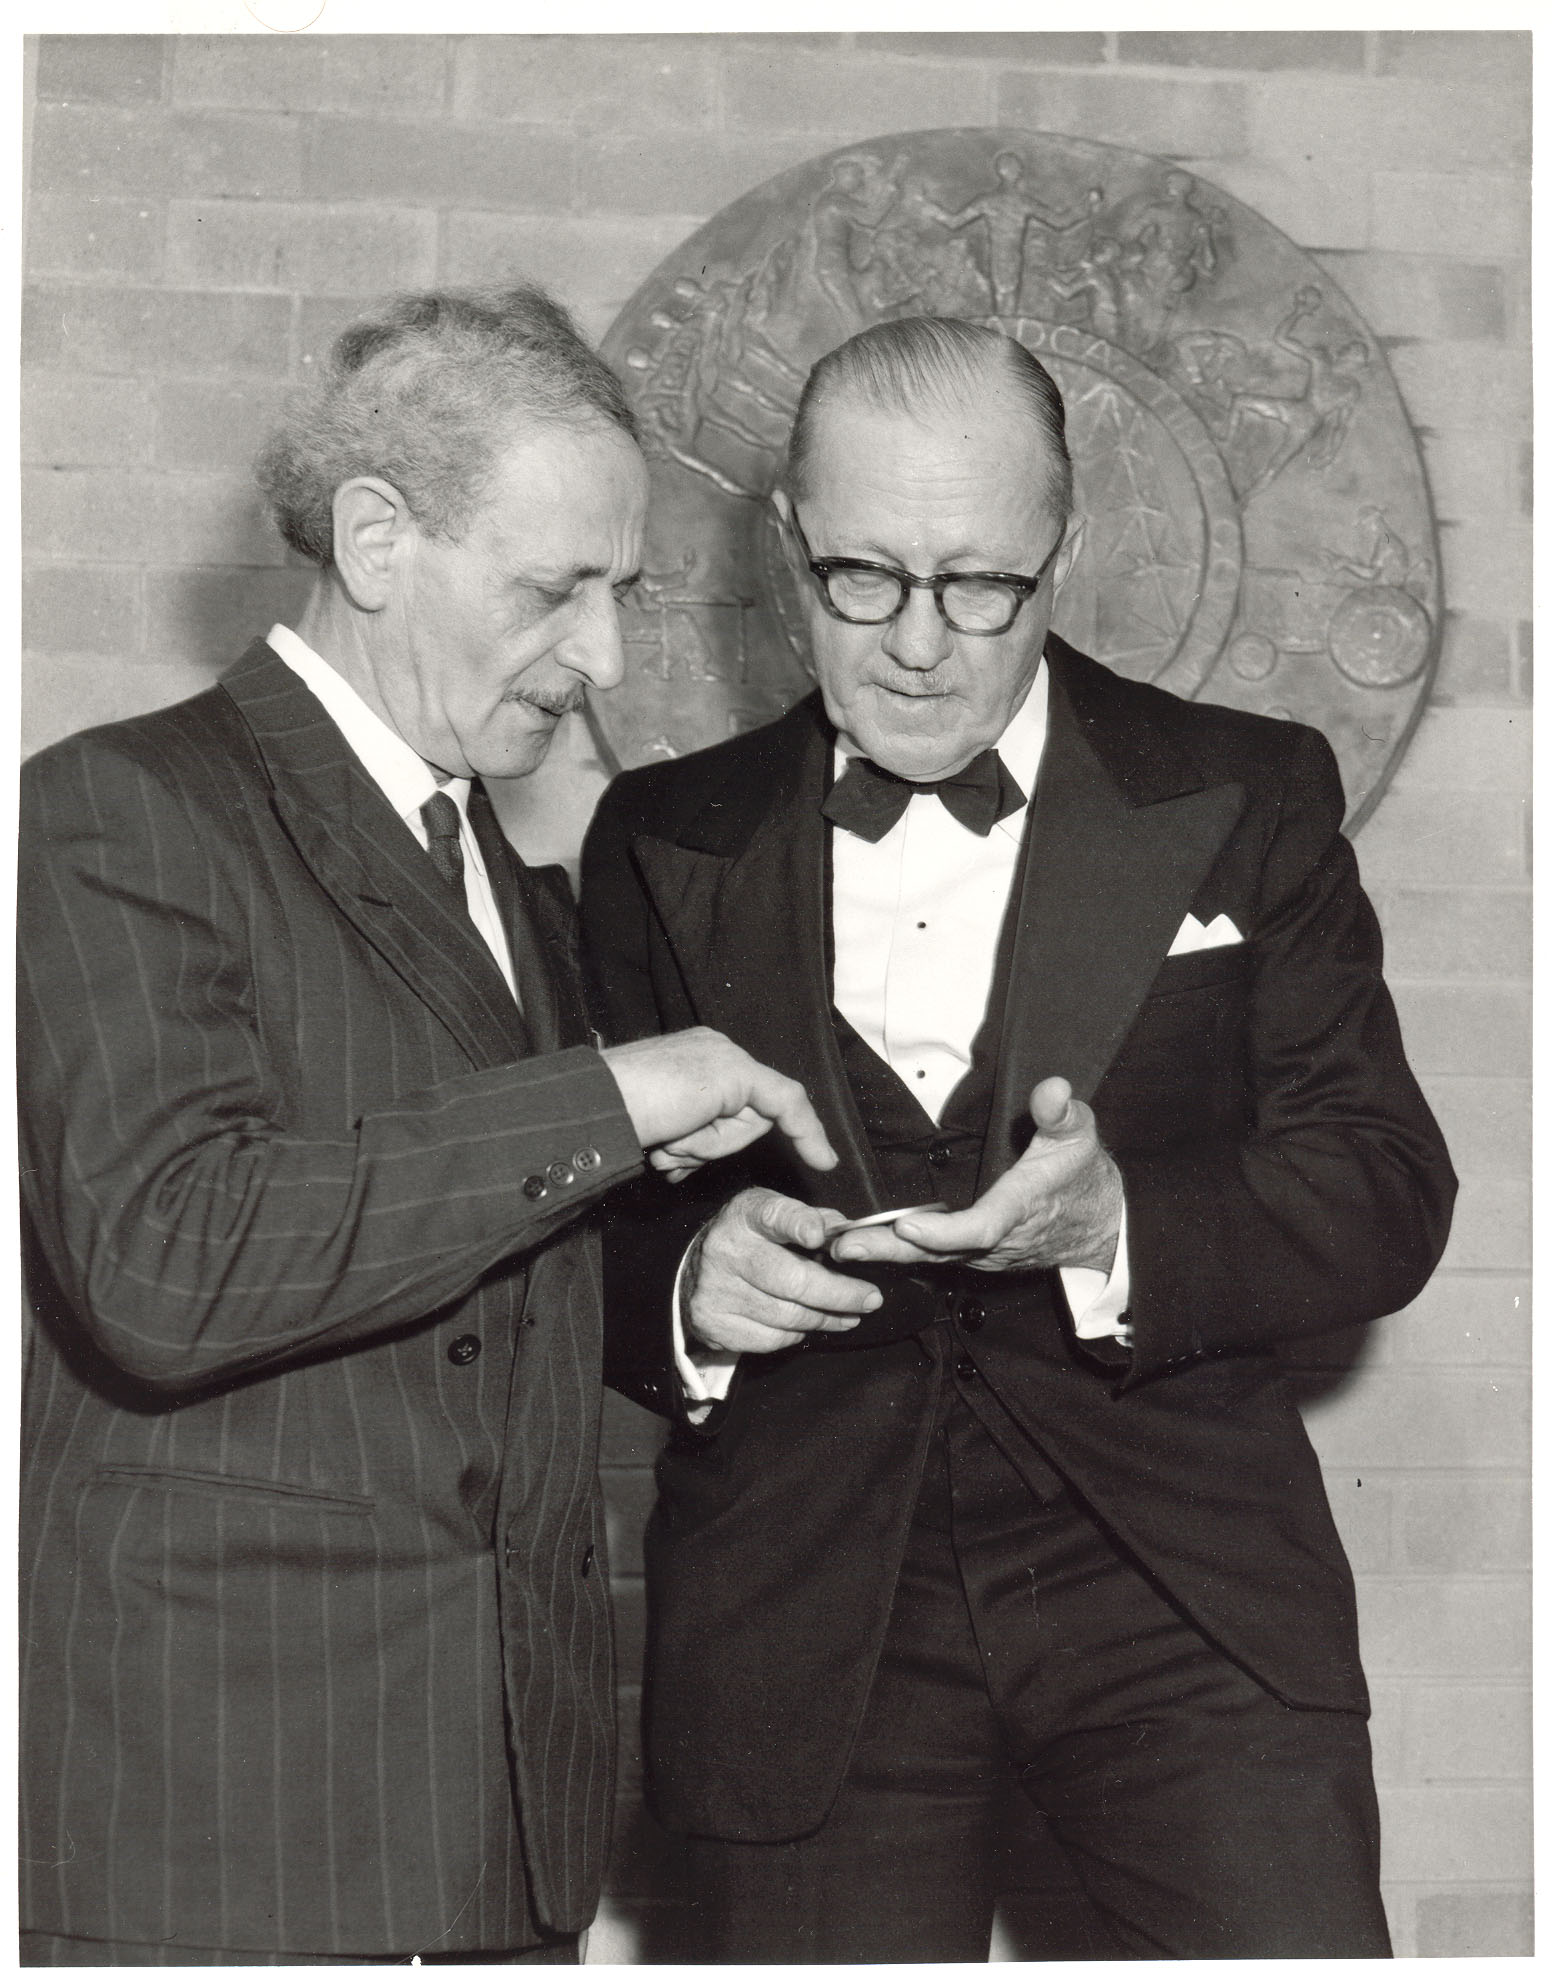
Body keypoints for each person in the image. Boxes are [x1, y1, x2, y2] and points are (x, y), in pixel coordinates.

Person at [579, 315, 1456, 1962]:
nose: (920, 643)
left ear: (1066, 551)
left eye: (981, 583)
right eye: (863, 577)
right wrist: (692, 1283)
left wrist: (1120, 1225)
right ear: (786, 545)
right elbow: (576, 1249)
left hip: (1182, 1604)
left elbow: (1385, 1186)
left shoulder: (1250, 790)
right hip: (805, 1624)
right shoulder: (659, 837)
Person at [17, 284, 839, 1967]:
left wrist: (689, 1287)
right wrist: (607, 1095)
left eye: (620, 592)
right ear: (377, 540)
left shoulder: (492, 867)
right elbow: (165, 1259)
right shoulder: (123, 806)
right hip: (240, 1820)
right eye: (555, 590)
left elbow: (473, 1266)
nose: (605, 661)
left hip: (490, 1818)